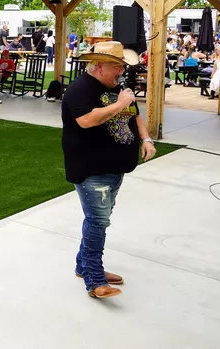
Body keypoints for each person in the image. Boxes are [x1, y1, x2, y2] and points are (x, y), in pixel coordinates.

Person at [62, 41, 155, 298]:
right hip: (92, 169)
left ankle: (85, 266)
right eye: (117, 66)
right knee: (98, 222)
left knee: (96, 221)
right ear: (99, 66)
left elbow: (134, 115)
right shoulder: (79, 90)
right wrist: (119, 104)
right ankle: (95, 280)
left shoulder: (117, 87)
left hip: (116, 168)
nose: (121, 71)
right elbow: (86, 121)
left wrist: (145, 139)